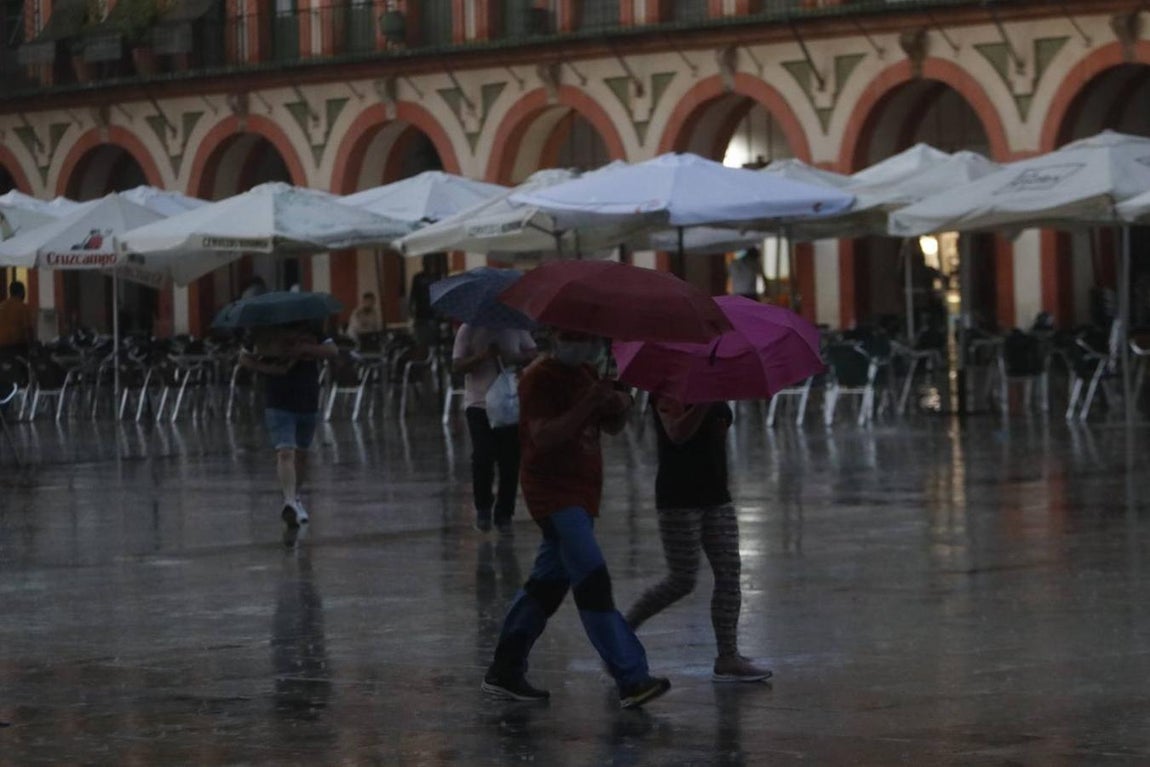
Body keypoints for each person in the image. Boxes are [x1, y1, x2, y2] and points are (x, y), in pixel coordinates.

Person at [482, 329, 671, 709]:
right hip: (553, 494)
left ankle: (505, 669)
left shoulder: (586, 372)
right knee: (592, 578)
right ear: (555, 336)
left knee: (546, 587)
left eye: (587, 337)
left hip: (583, 494)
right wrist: (588, 402)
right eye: (574, 336)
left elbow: (611, 425)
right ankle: (631, 676)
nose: (584, 344)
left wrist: (621, 401)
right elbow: (544, 437)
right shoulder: (539, 378)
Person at [625, 396, 772, 683]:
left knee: (729, 572)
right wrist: (704, 401)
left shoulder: (714, 379)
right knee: (682, 579)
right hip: (679, 497)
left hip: (716, 493)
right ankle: (620, 633)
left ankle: (728, 656)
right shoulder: (668, 388)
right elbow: (676, 434)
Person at [239, 321, 339, 529]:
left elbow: (332, 350)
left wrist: (305, 349)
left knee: (301, 453)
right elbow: (243, 356)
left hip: (307, 397)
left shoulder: (311, 327)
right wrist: (267, 368)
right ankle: (289, 500)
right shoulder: (260, 329)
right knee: (285, 451)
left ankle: (296, 496)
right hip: (277, 400)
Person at [451, 323, 537, 533]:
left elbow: (531, 352)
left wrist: (513, 359)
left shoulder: (515, 326)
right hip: (479, 404)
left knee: (510, 460)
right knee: (482, 456)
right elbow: (457, 365)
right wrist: (483, 356)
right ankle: (483, 506)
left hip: (508, 403)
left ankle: (504, 512)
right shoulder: (468, 330)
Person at [0, 281, 36, 358]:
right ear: (21, 292)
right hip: (17, 347)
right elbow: (29, 329)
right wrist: (33, 346)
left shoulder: (1, 306)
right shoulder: (23, 307)